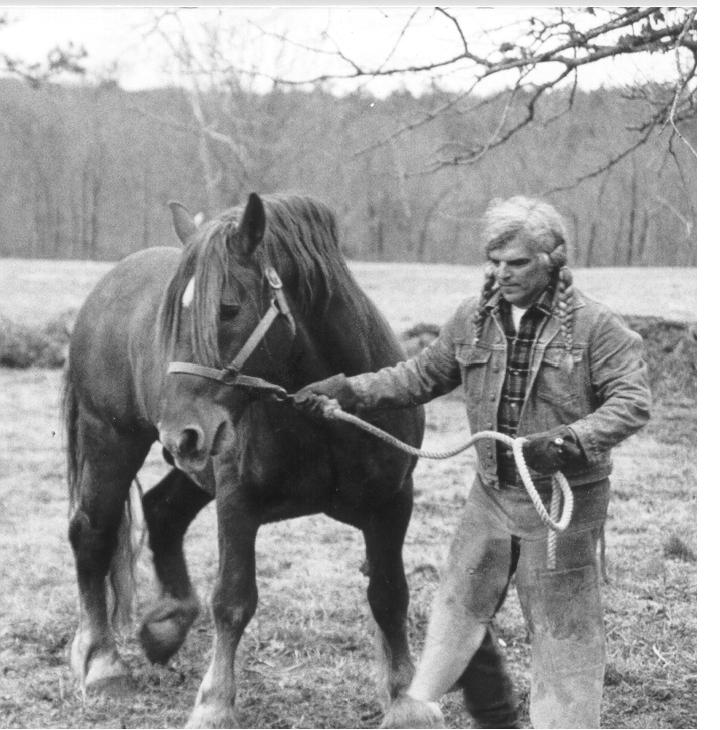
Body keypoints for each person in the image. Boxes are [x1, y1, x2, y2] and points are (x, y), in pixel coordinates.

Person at [294, 196, 651, 729]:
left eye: (518, 263)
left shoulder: (597, 328)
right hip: (491, 495)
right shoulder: (472, 320)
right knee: (457, 606)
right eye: (495, 262)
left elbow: (632, 402)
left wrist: (569, 440)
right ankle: (416, 715)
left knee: (562, 630)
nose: (502, 274)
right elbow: (418, 376)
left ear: (553, 261)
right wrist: (349, 391)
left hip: (559, 503)